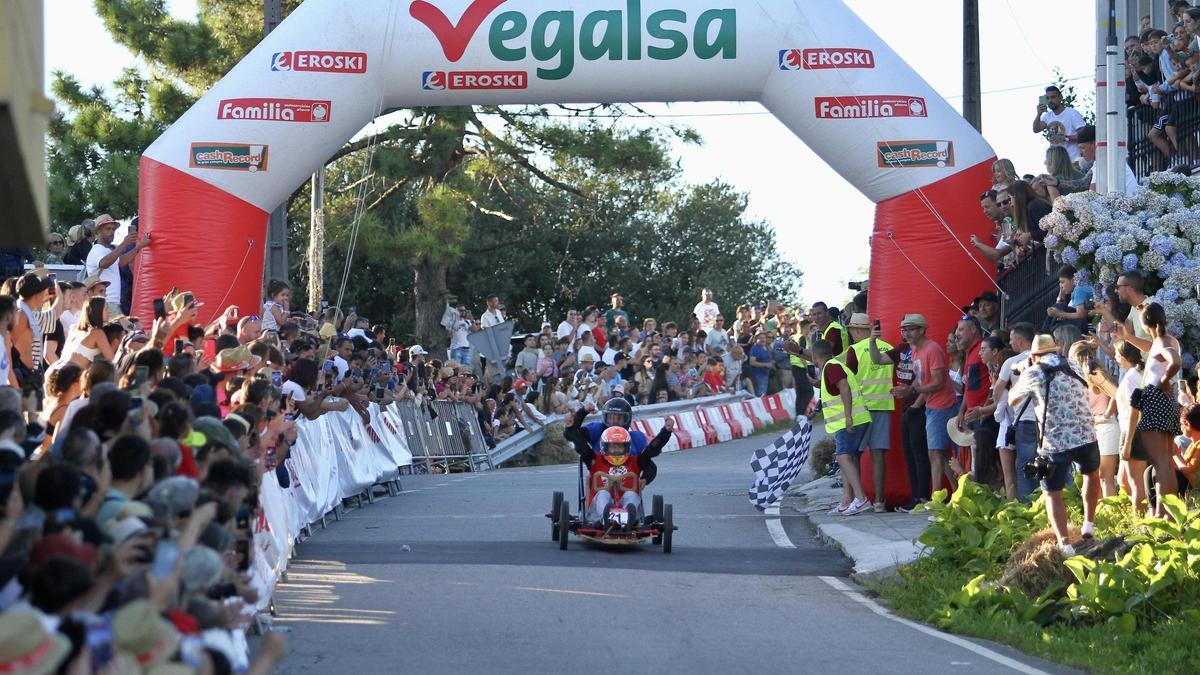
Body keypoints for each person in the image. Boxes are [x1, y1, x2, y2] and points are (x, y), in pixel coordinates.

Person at [1009, 335, 1101, 556]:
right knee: (1091, 475)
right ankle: (1089, 523)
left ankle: (1064, 544)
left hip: (1054, 442)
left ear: (1033, 356)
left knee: (1052, 493)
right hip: (1086, 435)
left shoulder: (1033, 373)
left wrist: (1024, 372)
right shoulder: (1074, 365)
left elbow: (1012, 399)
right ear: (1056, 350)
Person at [1122, 303, 1183, 518]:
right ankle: (1170, 512)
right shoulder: (1168, 340)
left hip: (1155, 399)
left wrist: (1164, 381)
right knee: (1166, 461)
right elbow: (1155, 349)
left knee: (1159, 462)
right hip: (1168, 401)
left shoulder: (1162, 341)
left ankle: (1160, 512)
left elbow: (1175, 361)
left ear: (1146, 324)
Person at [813, 339, 872, 516]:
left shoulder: (831, 367)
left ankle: (861, 498)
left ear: (815, 357)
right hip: (855, 419)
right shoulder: (833, 366)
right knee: (847, 459)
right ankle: (847, 500)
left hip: (850, 421)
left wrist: (848, 417)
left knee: (842, 457)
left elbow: (844, 388)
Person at [844, 313, 895, 512]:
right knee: (878, 453)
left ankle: (858, 499)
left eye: (851, 331)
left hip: (861, 408)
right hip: (883, 405)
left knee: (853, 454)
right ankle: (879, 501)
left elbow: (847, 381)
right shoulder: (888, 347)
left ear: (857, 330)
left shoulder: (854, 350)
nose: (851, 335)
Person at [956, 316, 997, 488]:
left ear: (973, 330)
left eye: (961, 329)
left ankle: (989, 496)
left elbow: (993, 383)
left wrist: (984, 410)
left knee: (985, 463)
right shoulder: (971, 352)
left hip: (984, 416)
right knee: (975, 462)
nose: (957, 334)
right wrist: (962, 411)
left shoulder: (982, 350)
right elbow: (969, 387)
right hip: (973, 415)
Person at [84, 214, 150, 316]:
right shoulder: (96, 250)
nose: (112, 232)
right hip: (105, 303)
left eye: (113, 229)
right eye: (108, 229)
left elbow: (121, 262)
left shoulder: (106, 250)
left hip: (111, 303)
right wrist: (125, 243)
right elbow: (104, 263)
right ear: (97, 232)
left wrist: (140, 246)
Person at [1114, 340, 1151, 513]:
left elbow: (1134, 409)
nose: (1114, 357)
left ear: (1123, 356)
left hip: (1133, 430)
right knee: (1123, 480)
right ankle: (1140, 512)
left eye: (1116, 354)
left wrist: (1128, 442)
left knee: (1136, 482)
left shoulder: (1131, 378)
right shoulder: (1140, 372)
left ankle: (1141, 518)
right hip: (1137, 429)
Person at [1032, 84, 1087, 163]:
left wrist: (1065, 138)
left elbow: (1084, 135)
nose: (1050, 101)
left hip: (1073, 162)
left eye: (1053, 97)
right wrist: (1038, 114)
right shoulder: (1047, 116)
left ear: (1060, 97)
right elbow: (1036, 129)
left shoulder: (1072, 113)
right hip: (1057, 163)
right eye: (1047, 98)